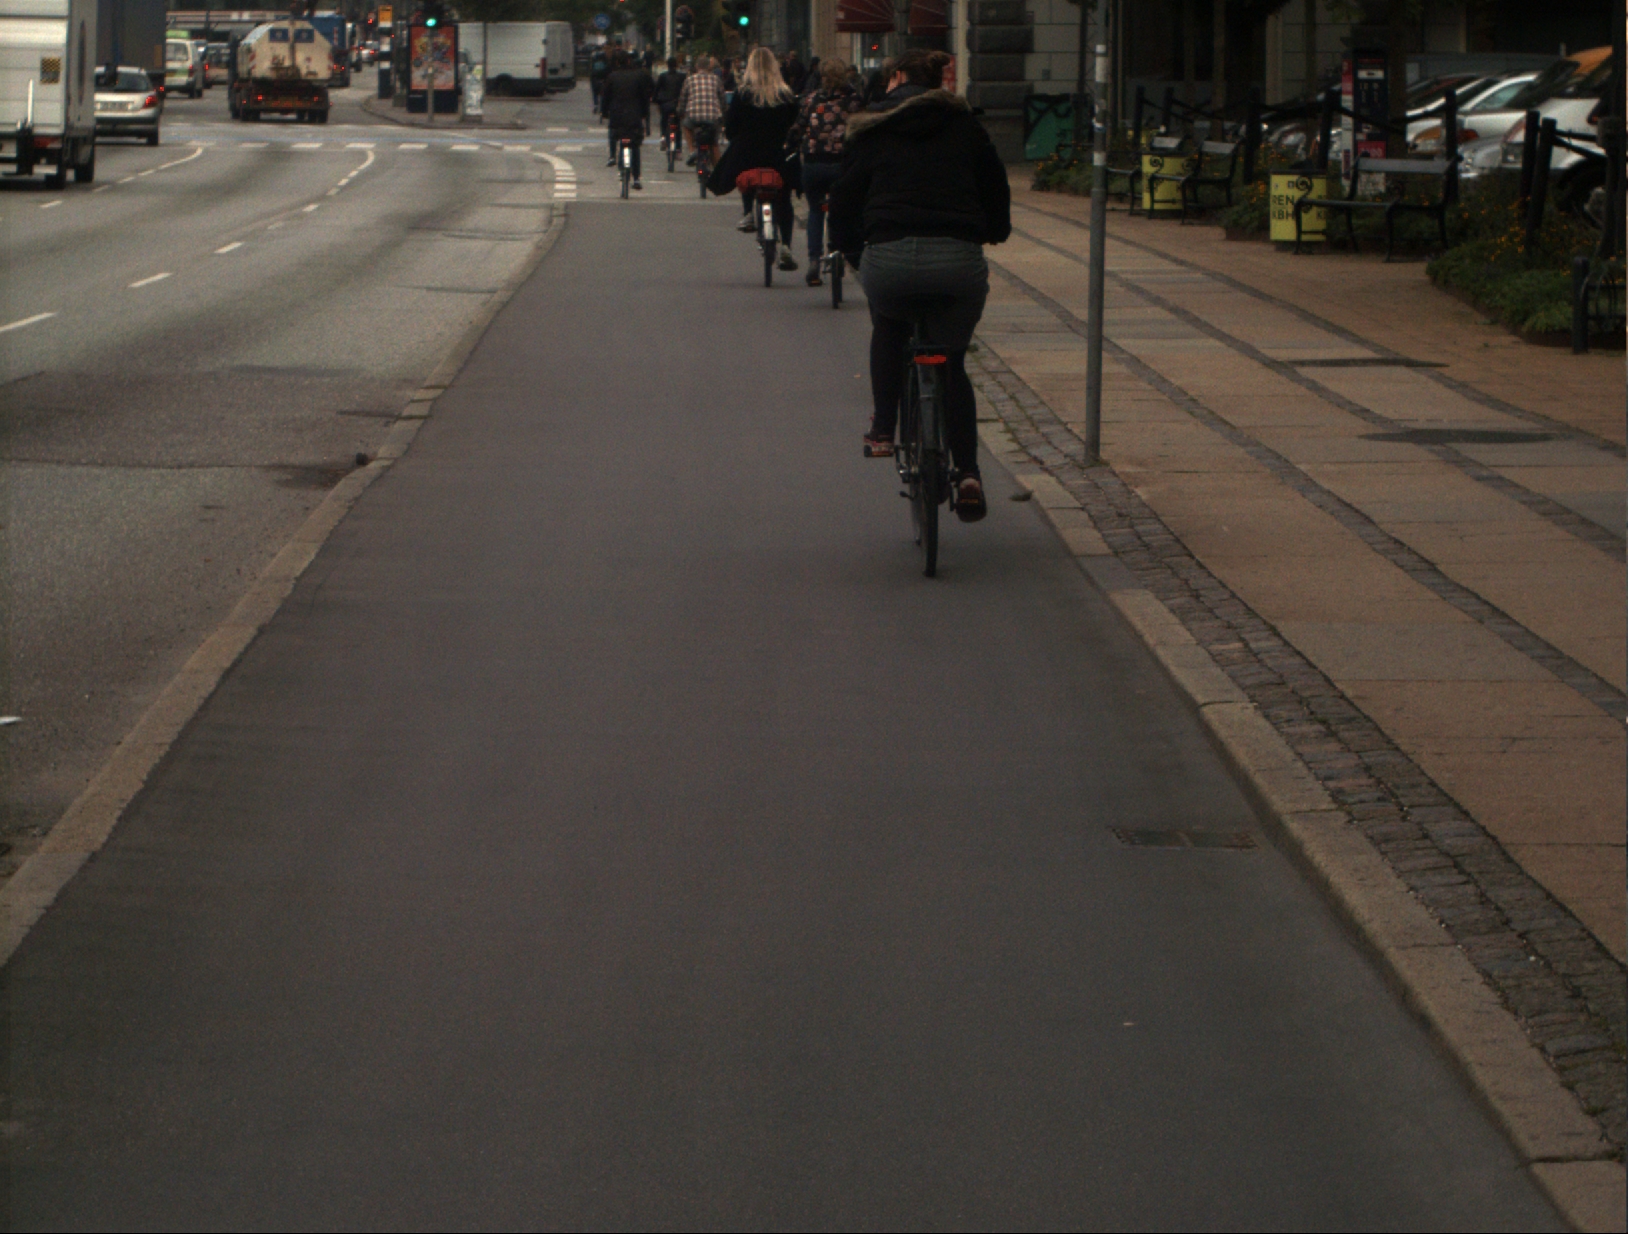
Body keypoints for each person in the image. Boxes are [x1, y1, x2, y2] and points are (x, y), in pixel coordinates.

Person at [828, 48, 1011, 521]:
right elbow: (995, 185)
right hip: (956, 261)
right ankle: (968, 474)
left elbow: (844, 197)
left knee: (889, 325)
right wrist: (993, 230)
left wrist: (849, 249)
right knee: (952, 362)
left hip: (889, 257)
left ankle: (883, 430)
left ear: (895, 77)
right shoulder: (966, 127)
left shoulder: (873, 129)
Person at [709, 46, 801, 269]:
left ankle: (748, 211)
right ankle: (786, 245)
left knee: (740, 166)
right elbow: (794, 124)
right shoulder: (786, 95)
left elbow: (731, 128)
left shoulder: (743, 94)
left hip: (748, 155)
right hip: (776, 155)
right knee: (784, 197)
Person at [791, 57, 860, 287]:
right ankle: (839, 251)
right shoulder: (854, 101)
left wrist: (793, 143)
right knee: (844, 210)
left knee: (815, 211)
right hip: (842, 165)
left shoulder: (811, 99)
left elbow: (798, 127)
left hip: (814, 164)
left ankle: (814, 260)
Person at [598, 49, 655, 189]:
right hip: (634, 116)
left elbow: (605, 97)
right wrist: (644, 114)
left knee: (615, 135)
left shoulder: (612, 77)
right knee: (635, 146)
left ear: (616, 62)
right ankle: (636, 178)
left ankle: (614, 158)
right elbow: (644, 97)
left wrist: (604, 112)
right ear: (629, 61)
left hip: (617, 116)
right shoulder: (638, 76)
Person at [676, 54, 726, 163]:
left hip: (694, 117)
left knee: (686, 126)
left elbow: (683, 99)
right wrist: (723, 114)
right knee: (714, 143)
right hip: (713, 117)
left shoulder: (689, 80)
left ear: (697, 66)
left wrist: (680, 112)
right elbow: (722, 99)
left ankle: (692, 150)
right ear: (709, 67)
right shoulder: (716, 79)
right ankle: (718, 169)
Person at [652, 56, 686, 151]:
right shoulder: (682, 76)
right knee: (677, 125)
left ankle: (663, 136)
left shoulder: (662, 76)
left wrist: (655, 100)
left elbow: (657, 90)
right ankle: (678, 147)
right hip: (677, 104)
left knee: (664, 120)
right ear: (676, 65)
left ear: (667, 65)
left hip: (665, 104)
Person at [588, 43, 611, 112]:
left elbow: (591, 68)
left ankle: (595, 105)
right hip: (603, 77)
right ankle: (602, 107)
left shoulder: (594, 56)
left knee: (595, 93)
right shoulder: (605, 57)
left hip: (595, 78)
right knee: (603, 93)